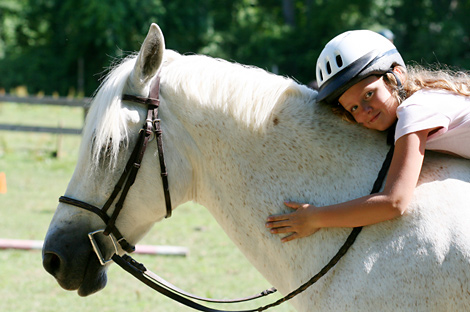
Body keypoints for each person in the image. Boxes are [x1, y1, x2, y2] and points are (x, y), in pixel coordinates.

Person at [266, 30, 470, 243]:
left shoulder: (414, 110)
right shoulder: (419, 103)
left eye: (369, 94)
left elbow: (394, 202)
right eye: (353, 108)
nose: (364, 111)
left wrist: (315, 217)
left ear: (396, 75)